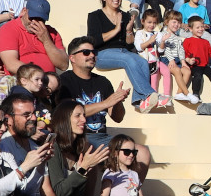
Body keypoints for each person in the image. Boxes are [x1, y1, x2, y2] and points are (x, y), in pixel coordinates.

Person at [57, 36, 152, 184]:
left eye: (94, 52)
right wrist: (107, 102)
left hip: (103, 138)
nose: (92, 55)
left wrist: (117, 102)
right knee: (89, 150)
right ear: (72, 58)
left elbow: (118, 118)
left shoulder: (103, 82)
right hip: (79, 138)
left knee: (142, 153)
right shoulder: (65, 81)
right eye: (86, 52)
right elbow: (68, 114)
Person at [86, 0, 159, 114]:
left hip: (123, 51)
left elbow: (129, 43)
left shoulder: (125, 16)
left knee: (142, 62)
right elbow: (94, 40)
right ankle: (149, 94)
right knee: (128, 59)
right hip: (102, 54)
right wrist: (116, 29)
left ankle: (138, 101)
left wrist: (129, 30)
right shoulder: (95, 16)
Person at [0, 0, 68, 76]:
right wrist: (39, 77)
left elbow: (63, 65)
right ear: (24, 11)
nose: (35, 22)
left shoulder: (51, 33)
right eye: (32, 18)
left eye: (40, 19)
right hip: (21, 79)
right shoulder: (9, 29)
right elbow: (11, 65)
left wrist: (46, 40)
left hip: (48, 83)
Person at [134, 7, 174, 107]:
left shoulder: (157, 34)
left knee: (167, 72)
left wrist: (163, 41)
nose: (152, 25)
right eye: (149, 22)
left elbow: (160, 50)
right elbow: (139, 47)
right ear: (142, 21)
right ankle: (154, 98)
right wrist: (149, 41)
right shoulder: (139, 33)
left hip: (156, 60)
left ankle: (167, 96)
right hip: (146, 62)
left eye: (154, 23)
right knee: (154, 78)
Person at [183, 17, 211, 107]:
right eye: (197, 27)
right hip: (194, 66)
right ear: (190, 29)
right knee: (197, 75)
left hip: (205, 66)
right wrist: (188, 60)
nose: (201, 29)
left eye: (202, 27)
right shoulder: (187, 41)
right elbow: (184, 54)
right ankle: (196, 94)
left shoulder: (206, 42)